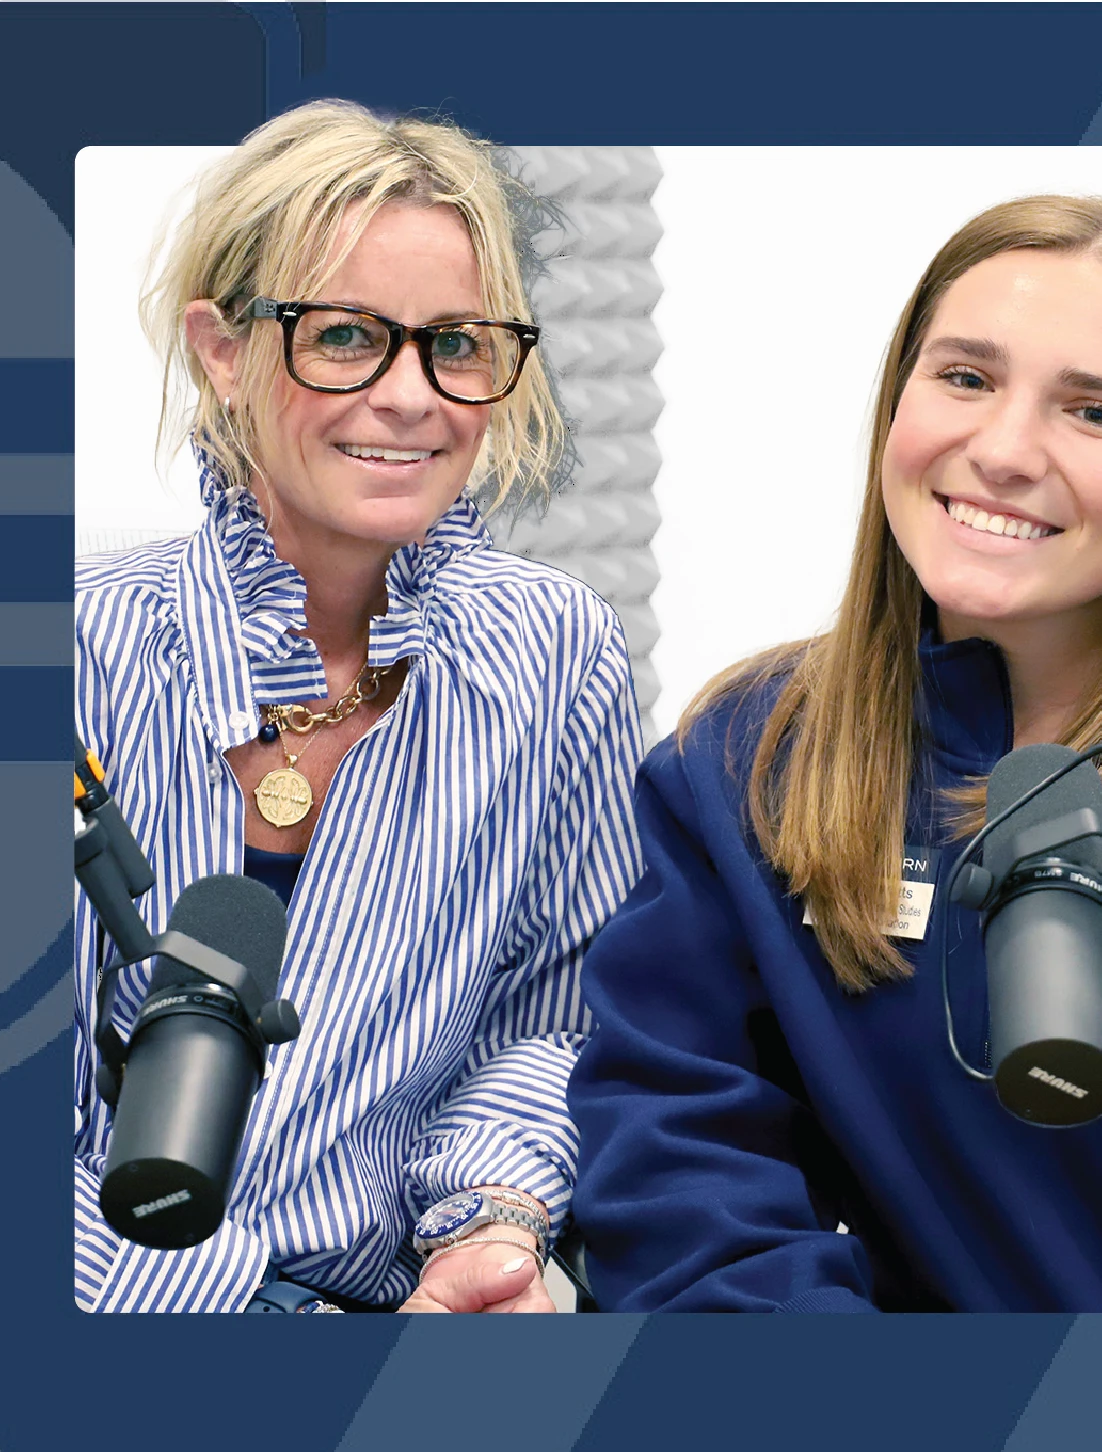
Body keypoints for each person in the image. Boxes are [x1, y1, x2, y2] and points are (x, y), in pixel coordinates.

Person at [568, 195, 1102, 1313]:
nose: (1002, 451)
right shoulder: (746, 757)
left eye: (1096, 413)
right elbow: (678, 1166)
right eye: (966, 378)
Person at [74, 99, 643, 1313]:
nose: (411, 395)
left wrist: (485, 1233)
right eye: (343, 336)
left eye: (460, 343)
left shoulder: (555, 654)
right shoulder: (66, 650)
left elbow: (545, 1026)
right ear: (223, 351)